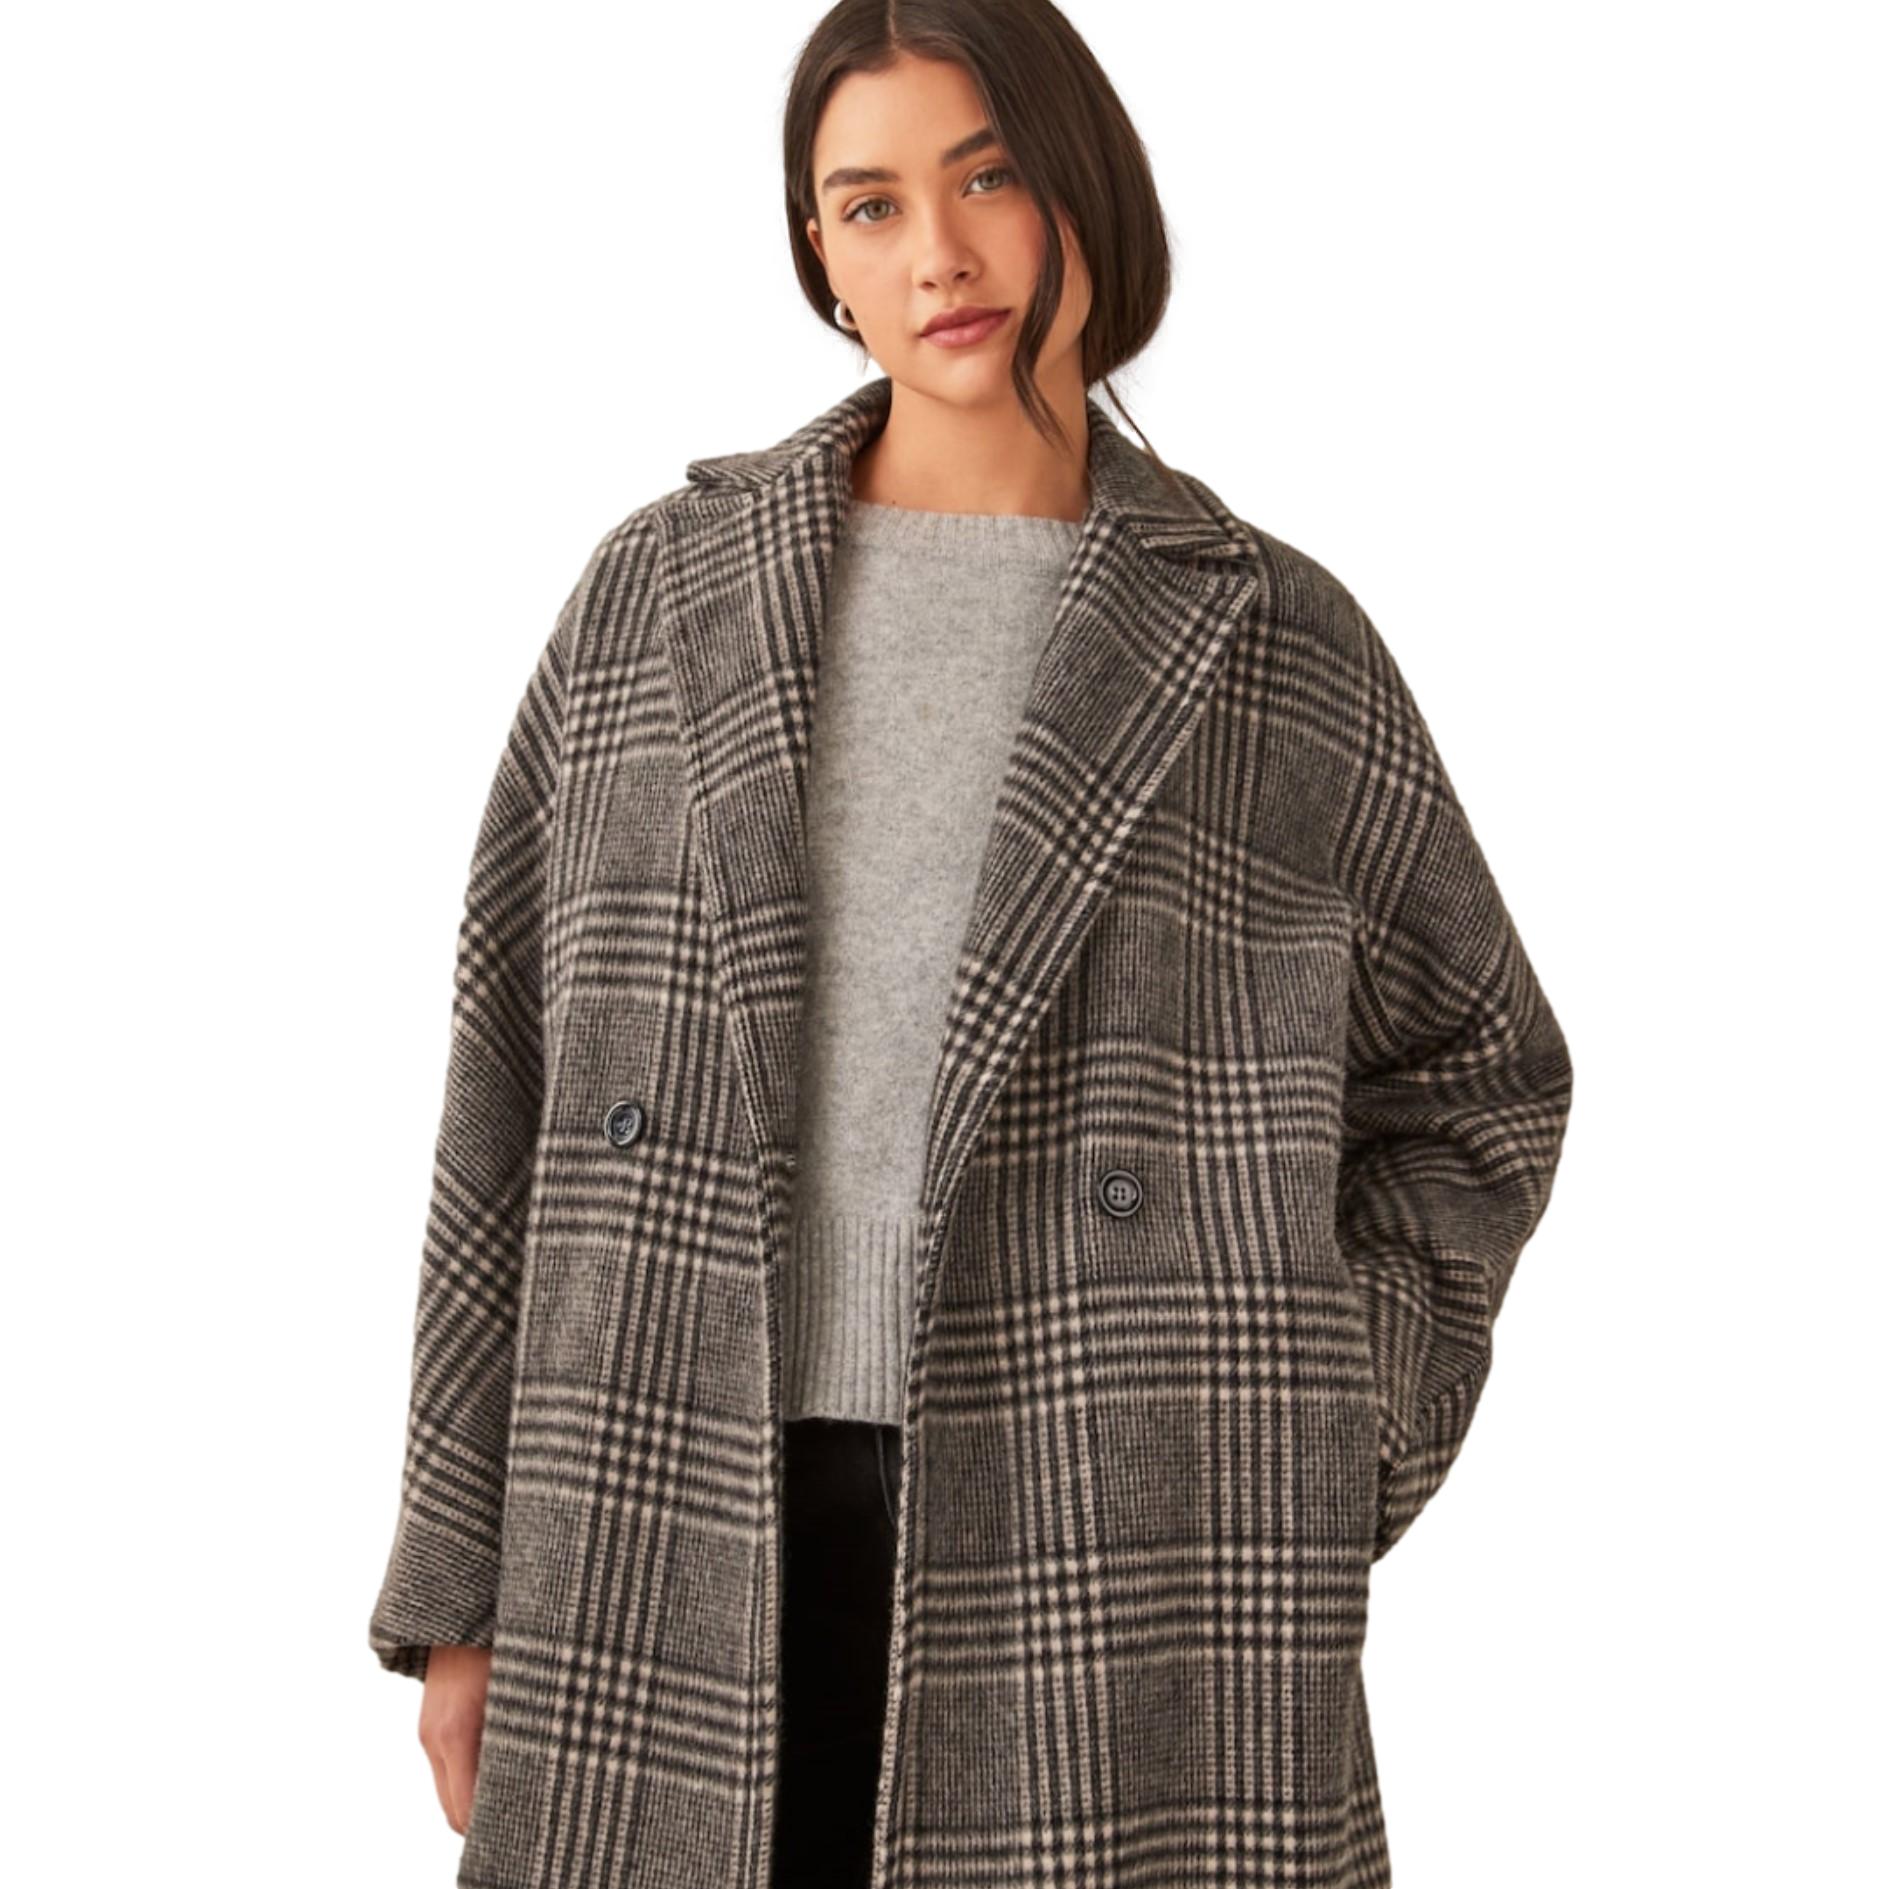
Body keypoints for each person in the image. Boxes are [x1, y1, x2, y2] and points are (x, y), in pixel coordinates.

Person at [370, 5, 1574, 1887]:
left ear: (1083, 188)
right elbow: (502, 1086)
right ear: (821, 257)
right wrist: (459, 1577)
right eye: (870, 204)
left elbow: (1479, 1076)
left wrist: (1330, 1425)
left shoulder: (1272, 639)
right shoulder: (658, 595)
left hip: (1114, 1520)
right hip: (662, 1503)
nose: (937, 252)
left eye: (987, 175)